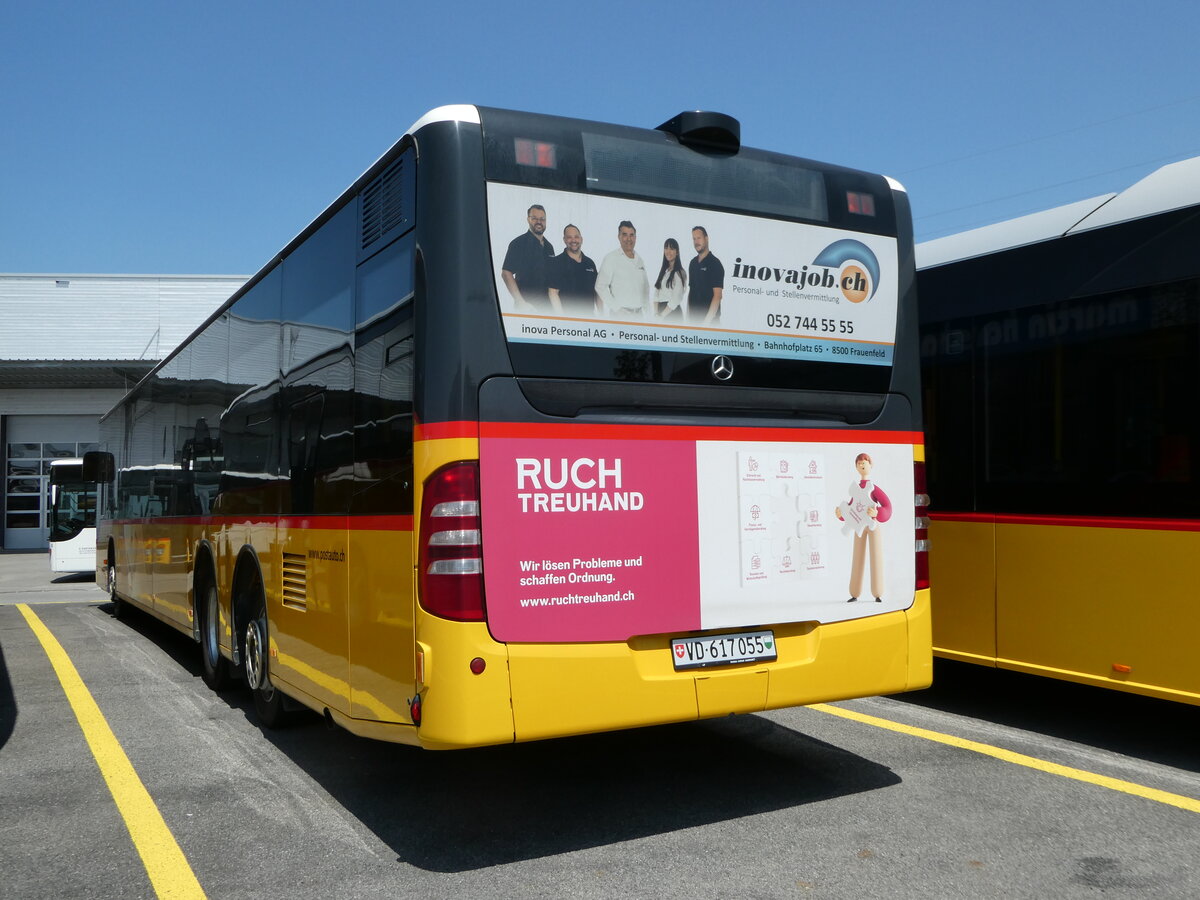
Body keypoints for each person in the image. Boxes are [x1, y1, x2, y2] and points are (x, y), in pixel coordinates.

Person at [834, 453, 892, 603]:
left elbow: (888, 506)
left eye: (864, 462)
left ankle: (877, 593)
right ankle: (854, 593)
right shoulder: (856, 489)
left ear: (870, 465)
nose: (862, 465)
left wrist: (877, 513)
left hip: (872, 526)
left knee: (876, 558)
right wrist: (841, 514)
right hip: (858, 525)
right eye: (859, 463)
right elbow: (851, 508)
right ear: (856, 467)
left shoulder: (874, 489)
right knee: (857, 557)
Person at [501, 204, 556, 311]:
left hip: (548, 309)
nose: (539, 222)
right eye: (534, 218)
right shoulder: (518, 243)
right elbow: (506, 273)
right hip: (527, 307)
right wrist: (520, 302)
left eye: (542, 219)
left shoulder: (549, 247)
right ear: (528, 220)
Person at [594, 220, 649, 319]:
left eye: (632, 235)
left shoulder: (640, 260)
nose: (629, 239)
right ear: (619, 237)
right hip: (620, 316)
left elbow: (645, 288)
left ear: (635, 238)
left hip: (639, 316)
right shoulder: (611, 258)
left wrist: (648, 313)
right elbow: (600, 286)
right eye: (625, 235)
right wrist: (617, 309)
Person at [547, 224, 599, 316]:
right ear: (564, 240)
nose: (573, 240)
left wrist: (602, 316)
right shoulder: (556, 262)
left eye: (576, 237)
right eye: (569, 237)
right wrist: (562, 319)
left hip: (590, 318)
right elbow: (553, 293)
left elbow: (597, 291)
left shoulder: (590, 263)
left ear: (581, 239)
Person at [687, 226, 724, 324]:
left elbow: (717, 296)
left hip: (710, 324)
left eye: (699, 238)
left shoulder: (715, 263)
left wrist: (705, 323)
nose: (696, 242)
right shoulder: (692, 263)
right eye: (694, 239)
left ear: (706, 239)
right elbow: (691, 291)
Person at [652, 238, 687, 321]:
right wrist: (656, 314)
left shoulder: (680, 272)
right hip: (660, 313)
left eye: (672, 249)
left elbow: (676, 298)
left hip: (672, 314)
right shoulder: (664, 271)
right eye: (666, 248)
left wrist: (662, 316)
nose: (668, 251)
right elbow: (656, 294)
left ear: (677, 252)